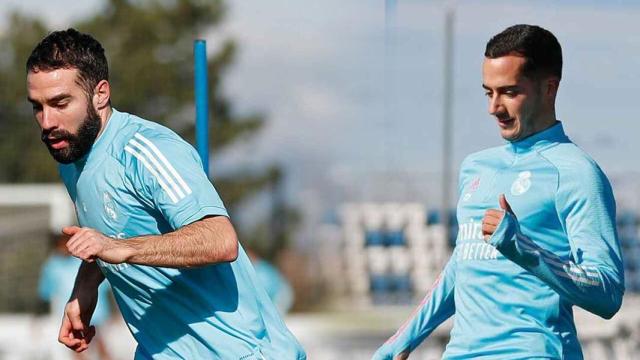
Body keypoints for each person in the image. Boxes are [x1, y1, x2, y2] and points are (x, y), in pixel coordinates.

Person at [26, 28, 306, 359]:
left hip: (237, 352)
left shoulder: (144, 149)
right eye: (38, 107)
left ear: (100, 94)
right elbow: (113, 231)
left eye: (60, 103)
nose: (46, 121)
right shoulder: (70, 159)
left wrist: (121, 249)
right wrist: (85, 287)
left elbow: (220, 240)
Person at [373, 24, 624, 359]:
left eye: (509, 92)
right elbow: (463, 265)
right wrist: (403, 339)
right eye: (488, 92)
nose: (494, 107)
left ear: (549, 88)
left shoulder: (577, 174)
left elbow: (607, 292)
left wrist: (524, 248)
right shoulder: (476, 168)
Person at [38, 232, 113, 360]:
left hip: (96, 311)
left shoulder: (84, 258)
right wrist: (38, 316)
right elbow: (45, 292)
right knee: (77, 346)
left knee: (100, 343)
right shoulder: (52, 265)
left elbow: (105, 286)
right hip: (72, 314)